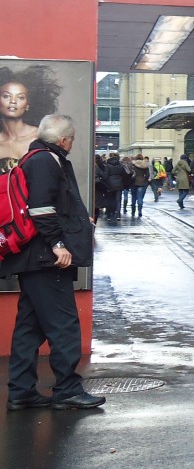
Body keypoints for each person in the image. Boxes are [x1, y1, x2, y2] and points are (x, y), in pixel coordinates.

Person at [1, 114, 105, 410]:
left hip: (32, 258)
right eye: (71, 140)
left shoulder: (31, 157)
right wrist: (59, 244)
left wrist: (77, 221)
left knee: (29, 327)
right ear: (63, 140)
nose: (71, 144)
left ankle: (21, 391)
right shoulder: (47, 160)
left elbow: (46, 205)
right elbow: (41, 209)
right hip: (46, 258)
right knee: (64, 324)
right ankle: (68, 390)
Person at [0, 65, 61, 172]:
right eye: (6, 96)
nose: (13, 101)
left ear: (28, 104)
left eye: (20, 97)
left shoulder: (41, 137)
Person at [130, 153, 150, 217]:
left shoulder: (133, 164)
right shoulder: (145, 165)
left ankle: (133, 210)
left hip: (133, 182)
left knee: (133, 197)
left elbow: (130, 173)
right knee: (140, 197)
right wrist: (144, 179)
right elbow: (147, 175)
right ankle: (139, 210)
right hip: (141, 182)